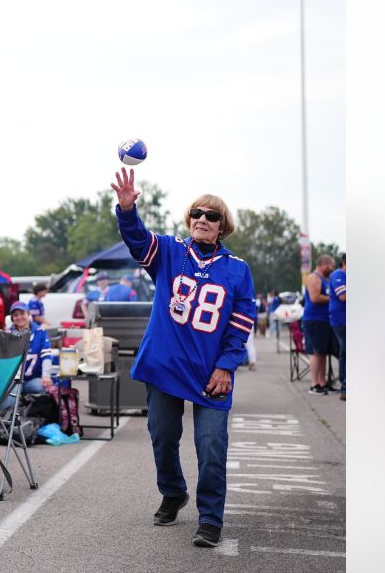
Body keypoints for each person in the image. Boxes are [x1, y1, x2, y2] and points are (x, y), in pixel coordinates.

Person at [111, 167, 255, 549]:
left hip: (211, 372)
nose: (202, 220)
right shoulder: (171, 252)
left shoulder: (238, 269)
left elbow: (241, 322)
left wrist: (226, 365)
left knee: (211, 445)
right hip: (165, 366)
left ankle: (210, 517)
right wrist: (126, 210)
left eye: (211, 216)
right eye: (196, 213)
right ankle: (173, 492)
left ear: (223, 226)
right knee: (162, 436)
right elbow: (137, 239)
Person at [303, 255, 337, 395]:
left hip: (324, 320)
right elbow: (315, 298)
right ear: (324, 264)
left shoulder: (325, 279)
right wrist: (334, 298)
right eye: (332, 265)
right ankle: (314, 384)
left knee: (322, 352)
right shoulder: (314, 278)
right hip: (314, 319)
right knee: (316, 352)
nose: (333, 269)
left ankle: (323, 383)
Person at [7, 302, 50, 395]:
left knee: (38, 387)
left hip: (34, 379)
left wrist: (46, 376)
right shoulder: (8, 334)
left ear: (28, 314)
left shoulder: (40, 332)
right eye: (15, 315)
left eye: (22, 314)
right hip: (14, 380)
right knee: (11, 392)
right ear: (12, 318)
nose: (19, 317)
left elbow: (46, 356)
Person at [328, 254, 347, 401]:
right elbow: (343, 296)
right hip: (341, 320)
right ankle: (345, 387)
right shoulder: (338, 275)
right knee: (346, 352)